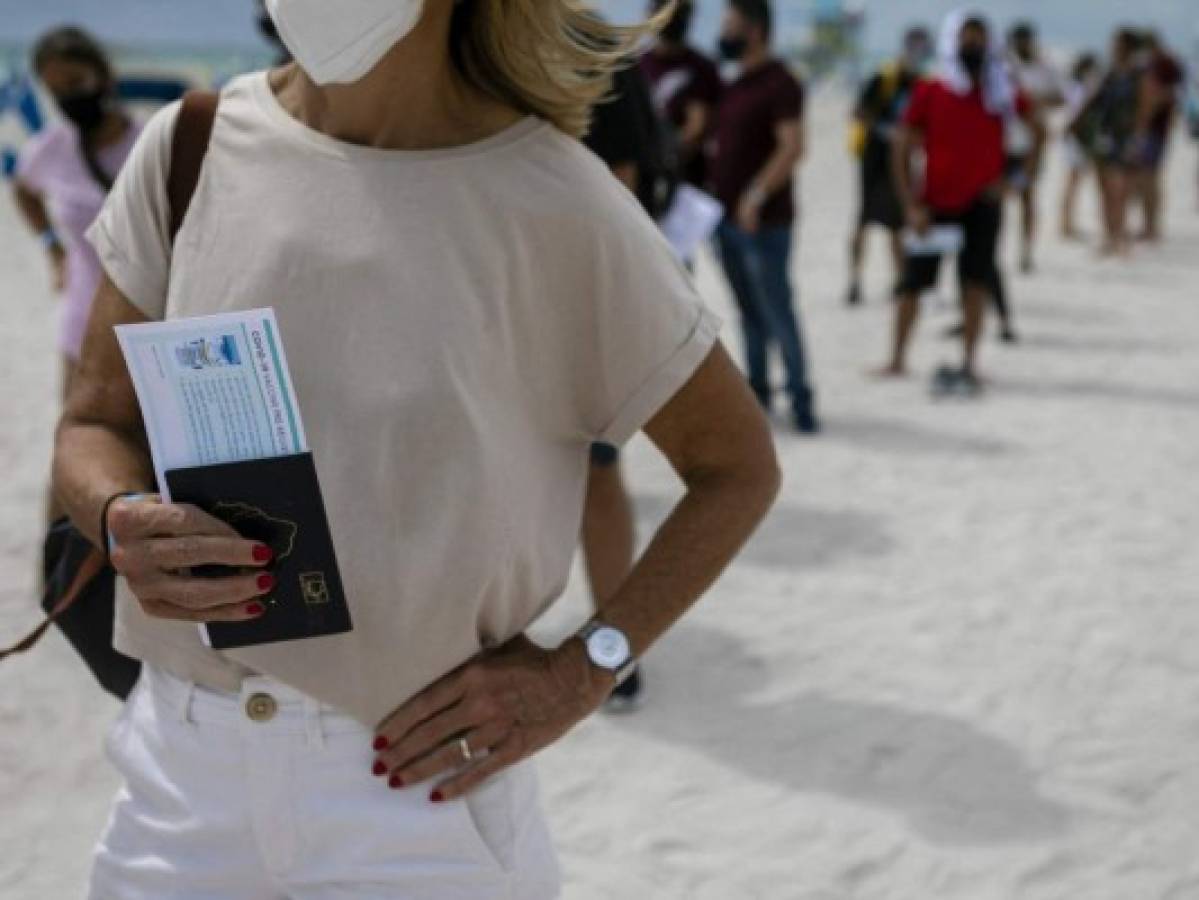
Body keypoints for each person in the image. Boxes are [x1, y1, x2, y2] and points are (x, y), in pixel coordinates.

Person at [54, 1, 782, 896]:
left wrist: (582, 669)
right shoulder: (193, 147)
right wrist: (118, 514)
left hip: (419, 794)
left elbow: (736, 468)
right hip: (179, 778)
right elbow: (94, 424)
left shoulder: (558, 198)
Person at [580, 58, 669, 711]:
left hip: (579, 301)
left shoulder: (594, 56)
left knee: (596, 467)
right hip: (487, 294)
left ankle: (616, 644)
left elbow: (623, 185)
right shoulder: (465, 47)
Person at [879, 12, 1030, 392]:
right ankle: (897, 359)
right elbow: (902, 143)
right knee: (912, 284)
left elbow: (1038, 129)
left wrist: (1015, 179)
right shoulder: (933, 89)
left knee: (975, 284)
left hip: (983, 205)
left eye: (979, 39)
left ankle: (969, 361)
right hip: (934, 204)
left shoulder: (1001, 89)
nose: (973, 47)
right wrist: (910, 204)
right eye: (967, 38)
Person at [709, 0, 819, 433]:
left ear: (755, 30)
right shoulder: (734, 83)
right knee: (747, 312)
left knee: (778, 310)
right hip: (725, 222)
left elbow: (792, 147)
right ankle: (759, 394)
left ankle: (801, 397)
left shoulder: (781, 83)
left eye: (731, 26)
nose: (725, 34)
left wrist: (755, 196)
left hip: (765, 223)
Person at [12, 28, 140, 395]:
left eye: (76, 82)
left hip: (149, 322)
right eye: (56, 91)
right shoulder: (50, 148)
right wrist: (53, 248)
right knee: (77, 438)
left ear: (103, 74)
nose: (69, 97)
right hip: (82, 319)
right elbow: (23, 190)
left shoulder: (151, 142)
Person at [845, 25, 931, 307]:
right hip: (873, 159)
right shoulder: (884, 78)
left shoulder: (921, 83)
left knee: (897, 223)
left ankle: (900, 280)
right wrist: (884, 130)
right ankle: (855, 280)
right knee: (864, 219)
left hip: (903, 162)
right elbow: (858, 111)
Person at [638, 0, 721, 192]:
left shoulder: (701, 68)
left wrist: (667, 151)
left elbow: (697, 125)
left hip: (686, 181)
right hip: (645, 176)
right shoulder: (639, 64)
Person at [1077, 28, 1144, 257]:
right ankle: (1109, 234)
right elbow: (1092, 100)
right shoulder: (1109, 72)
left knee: (1121, 190)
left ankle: (1120, 235)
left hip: (1125, 138)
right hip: (1104, 136)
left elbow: (1143, 106)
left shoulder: (1137, 75)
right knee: (1104, 189)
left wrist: (1138, 135)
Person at [1005, 21, 1061, 273]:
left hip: (1030, 143)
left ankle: (1025, 251)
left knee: (1028, 197)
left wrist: (1033, 100)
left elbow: (1059, 97)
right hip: (1004, 142)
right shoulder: (1004, 67)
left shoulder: (1043, 67)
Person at [1131, 31, 1184, 242]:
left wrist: (1143, 121)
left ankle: (1150, 225)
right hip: (1155, 130)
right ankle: (1150, 224)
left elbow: (1162, 97)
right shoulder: (1162, 65)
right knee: (1147, 179)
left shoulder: (1162, 65)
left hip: (1153, 130)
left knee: (1148, 178)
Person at [1060, 52, 1101, 239]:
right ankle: (1066, 224)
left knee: (1073, 183)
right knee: (1072, 182)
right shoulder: (1079, 88)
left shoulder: (1075, 87)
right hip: (1077, 139)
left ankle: (1067, 223)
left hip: (1077, 138)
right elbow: (1077, 114)